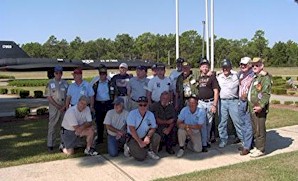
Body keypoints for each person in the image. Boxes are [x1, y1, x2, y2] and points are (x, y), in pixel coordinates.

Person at [248, 57, 272, 158]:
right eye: (253, 65)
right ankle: (257, 147)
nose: (254, 67)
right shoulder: (256, 77)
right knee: (255, 128)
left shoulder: (264, 77)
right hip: (252, 107)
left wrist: (261, 106)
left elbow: (266, 94)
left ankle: (261, 149)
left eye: (257, 65)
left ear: (262, 66)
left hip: (259, 108)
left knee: (260, 129)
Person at [217, 59, 243, 148]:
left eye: (227, 67)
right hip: (223, 102)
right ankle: (223, 140)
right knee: (222, 122)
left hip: (233, 101)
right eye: (224, 67)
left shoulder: (236, 75)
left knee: (237, 121)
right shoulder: (219, 77)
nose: (225, 69)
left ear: (230, 68)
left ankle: (243, 140)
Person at [125, 96, 161, 161]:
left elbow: (153, 127)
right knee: (141, 157)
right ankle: (128, 148)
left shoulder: (150, 114)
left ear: (147, 105)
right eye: (140, 105)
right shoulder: (132, 114)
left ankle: (151, 151)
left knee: (156, 136)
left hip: (144, 136)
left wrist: (148, 136)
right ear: (138, 105)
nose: (142, 107)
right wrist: (139, 141)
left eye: (145, 105)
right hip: (134, 137)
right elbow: (132, 129)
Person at [197, 58, 219, 152]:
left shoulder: (212, 77)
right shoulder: (198, 77)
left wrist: (214, 104)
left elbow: (216, 91)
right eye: (203, 66)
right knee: (202, 123)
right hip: (200, 103)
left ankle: (206, 141)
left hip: (209, 102)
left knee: (208, 124)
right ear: (200, 68)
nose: (205, 68)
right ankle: (204, 143)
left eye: (206, 66)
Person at [45, 65, 68, 152]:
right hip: (54, 107)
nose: (59, 74)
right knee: (52, 126)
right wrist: (57, 106)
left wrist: (65, 106)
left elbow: (68, 96)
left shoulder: (65, 83)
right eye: (57, 73)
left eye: (60, 73)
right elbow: (49, 97)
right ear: (54, 73)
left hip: (63, 107)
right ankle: (50, 144)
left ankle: (63, 143)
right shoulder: (50, 83)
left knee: (63, 126)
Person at [90, 64, 114, 144]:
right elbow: (91, 93)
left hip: (108, 103)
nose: (102, 75)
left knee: (109, 122)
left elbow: (115, 92)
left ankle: (109, 138)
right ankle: (100, 138)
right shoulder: (95, 81)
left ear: (106, 74)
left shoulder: (110, 81)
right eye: (101, 74)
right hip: (99, 103)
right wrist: (92, 105)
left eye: (104, 74)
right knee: (99, 122)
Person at [237, 57, 254, 155]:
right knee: (242, 123)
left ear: (249, 65)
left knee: (247, 124)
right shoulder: (240, 74)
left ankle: (247, 146)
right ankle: (246, 144)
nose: (243, 66)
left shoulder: (253, 75)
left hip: (247, 102)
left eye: (245, 64)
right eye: (241, 64)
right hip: (240, 101)